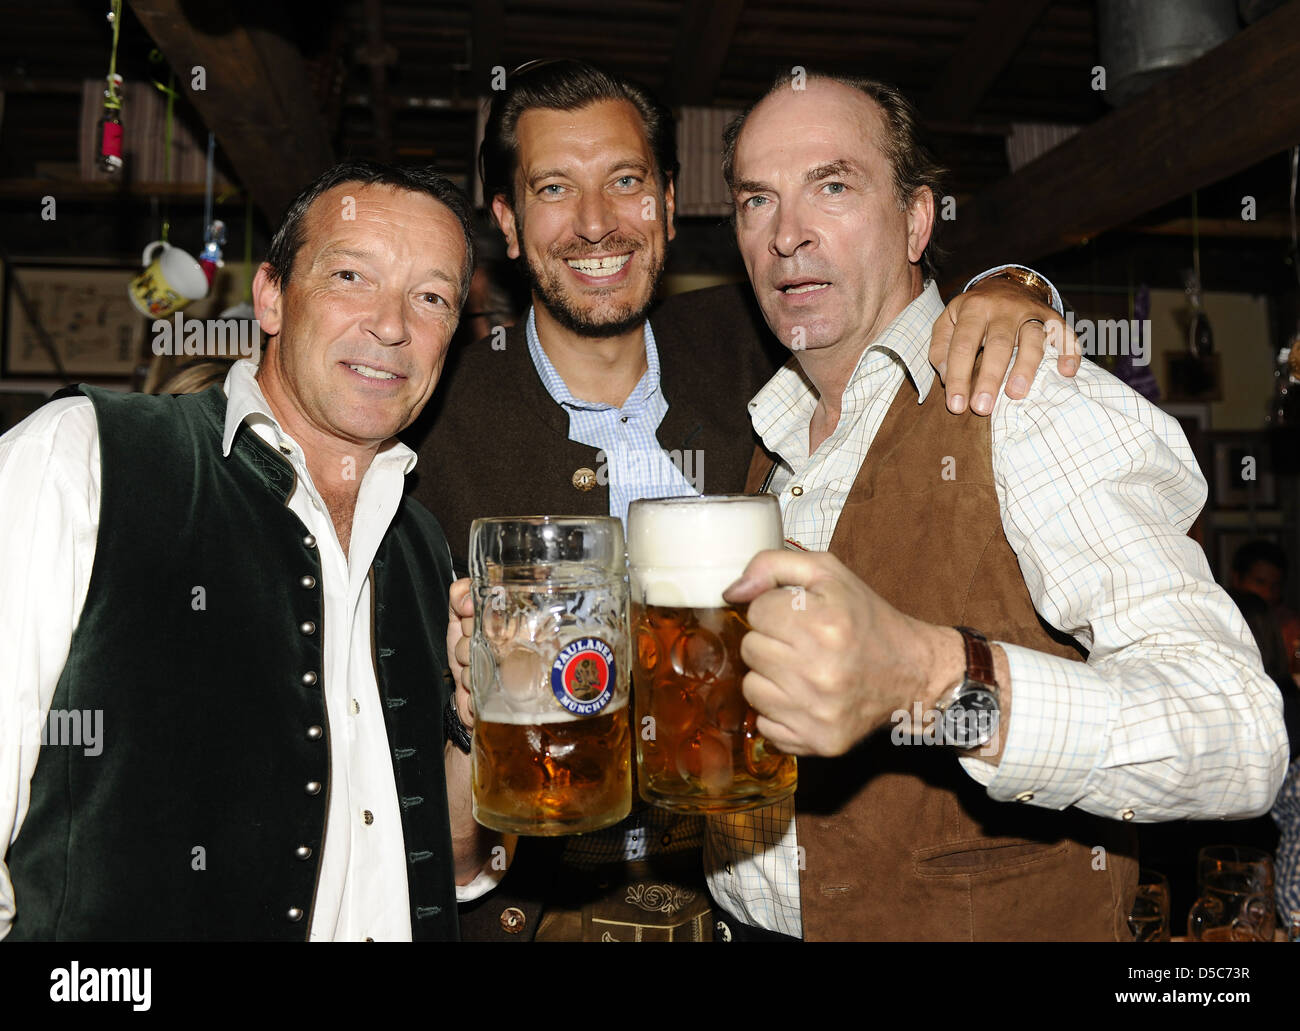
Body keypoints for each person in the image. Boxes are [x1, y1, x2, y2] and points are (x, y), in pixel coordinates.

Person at [420, 59, 1078, 941]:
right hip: (534, 904)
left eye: (625, 182)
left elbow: (895, 295)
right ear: (506, 220)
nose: (595, 224)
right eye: (552, 188)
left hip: (760, 895)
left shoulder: (769, 341)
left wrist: (1014, 291)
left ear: (667, 201)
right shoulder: (429, 416)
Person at [710, 71, 1288, 941]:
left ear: (915, 220)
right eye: (759, 200)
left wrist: (938, 680)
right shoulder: (772, 439)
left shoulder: (1024, 395)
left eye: (833, 186)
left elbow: (1238, 734)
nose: (788, 234)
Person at [0, 160, 495, 941]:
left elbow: (451, 865)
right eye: (351, 275)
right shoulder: (86, 456)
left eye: (430, 296)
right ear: (270, 296)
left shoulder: (425, 547)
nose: (392, 323)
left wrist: (476, 724)